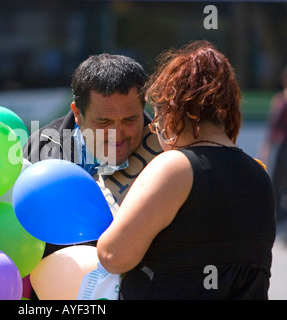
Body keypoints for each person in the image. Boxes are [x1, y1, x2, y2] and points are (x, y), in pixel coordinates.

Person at [97, 41, 277, 299]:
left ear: (173, 111)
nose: (155, 128)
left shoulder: (175, 167)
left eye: (157, 119)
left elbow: (113, 256)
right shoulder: (259, 175)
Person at [24, 53, 162, 257]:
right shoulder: (41, 148)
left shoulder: (167, 153)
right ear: (78, 114)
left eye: (129, 120)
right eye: (104, 122)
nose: (117, 133)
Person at [259, 65, 287, 221]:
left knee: (277, 185)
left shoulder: (281, 101)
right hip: (282, 148)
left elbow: (273, 130)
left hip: (282, 148)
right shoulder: (281, 100)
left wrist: (266, 149)